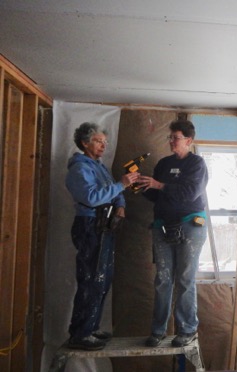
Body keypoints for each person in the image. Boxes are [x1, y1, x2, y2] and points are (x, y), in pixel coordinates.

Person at [65, 122, 139, 350]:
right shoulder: (80, 169)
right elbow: (92, 197)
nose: (103, 145)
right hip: (90, 226)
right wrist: (122, 185)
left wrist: (121, 204)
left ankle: (91, 327)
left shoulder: (99, 166)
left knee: (102, 279)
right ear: (84, 143)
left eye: (105, 142)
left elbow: (113, 190)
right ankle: (80, 334)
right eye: (99, 141)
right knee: (90, 279)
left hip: (104, 227)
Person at [138, 119, 208, 348]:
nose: (171, 141)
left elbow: (189, 193)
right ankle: (158, 331)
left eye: (175, 138)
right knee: (163, 279)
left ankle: (187, 329)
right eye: (170, 137)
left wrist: (159, 186)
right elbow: (158, 196)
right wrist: (142, 187)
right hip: (163, 225)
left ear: (189, 141)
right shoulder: (164, 164)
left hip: (190, 225)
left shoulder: (196, 164)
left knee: (185, 278)